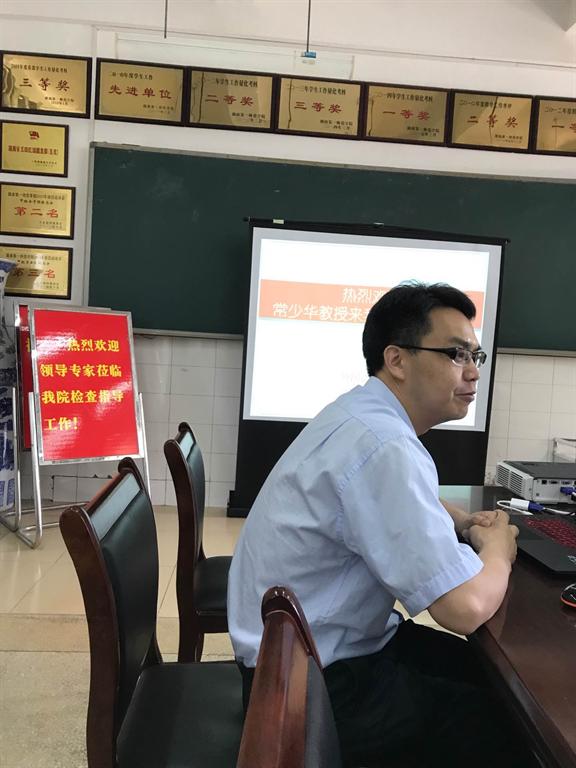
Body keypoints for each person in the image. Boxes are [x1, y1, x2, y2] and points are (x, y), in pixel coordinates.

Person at [228, 282, 535, 767]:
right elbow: (464, 609)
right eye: (456, 354)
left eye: (475, 355)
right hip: (316, 694)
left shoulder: (360, 414)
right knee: (513, 724)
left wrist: (460, 521)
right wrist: (498, 549)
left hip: (295, 663)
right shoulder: (384, 445)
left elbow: (376, 502)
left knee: (490, 676)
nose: (474, 371)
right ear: (397, 360)